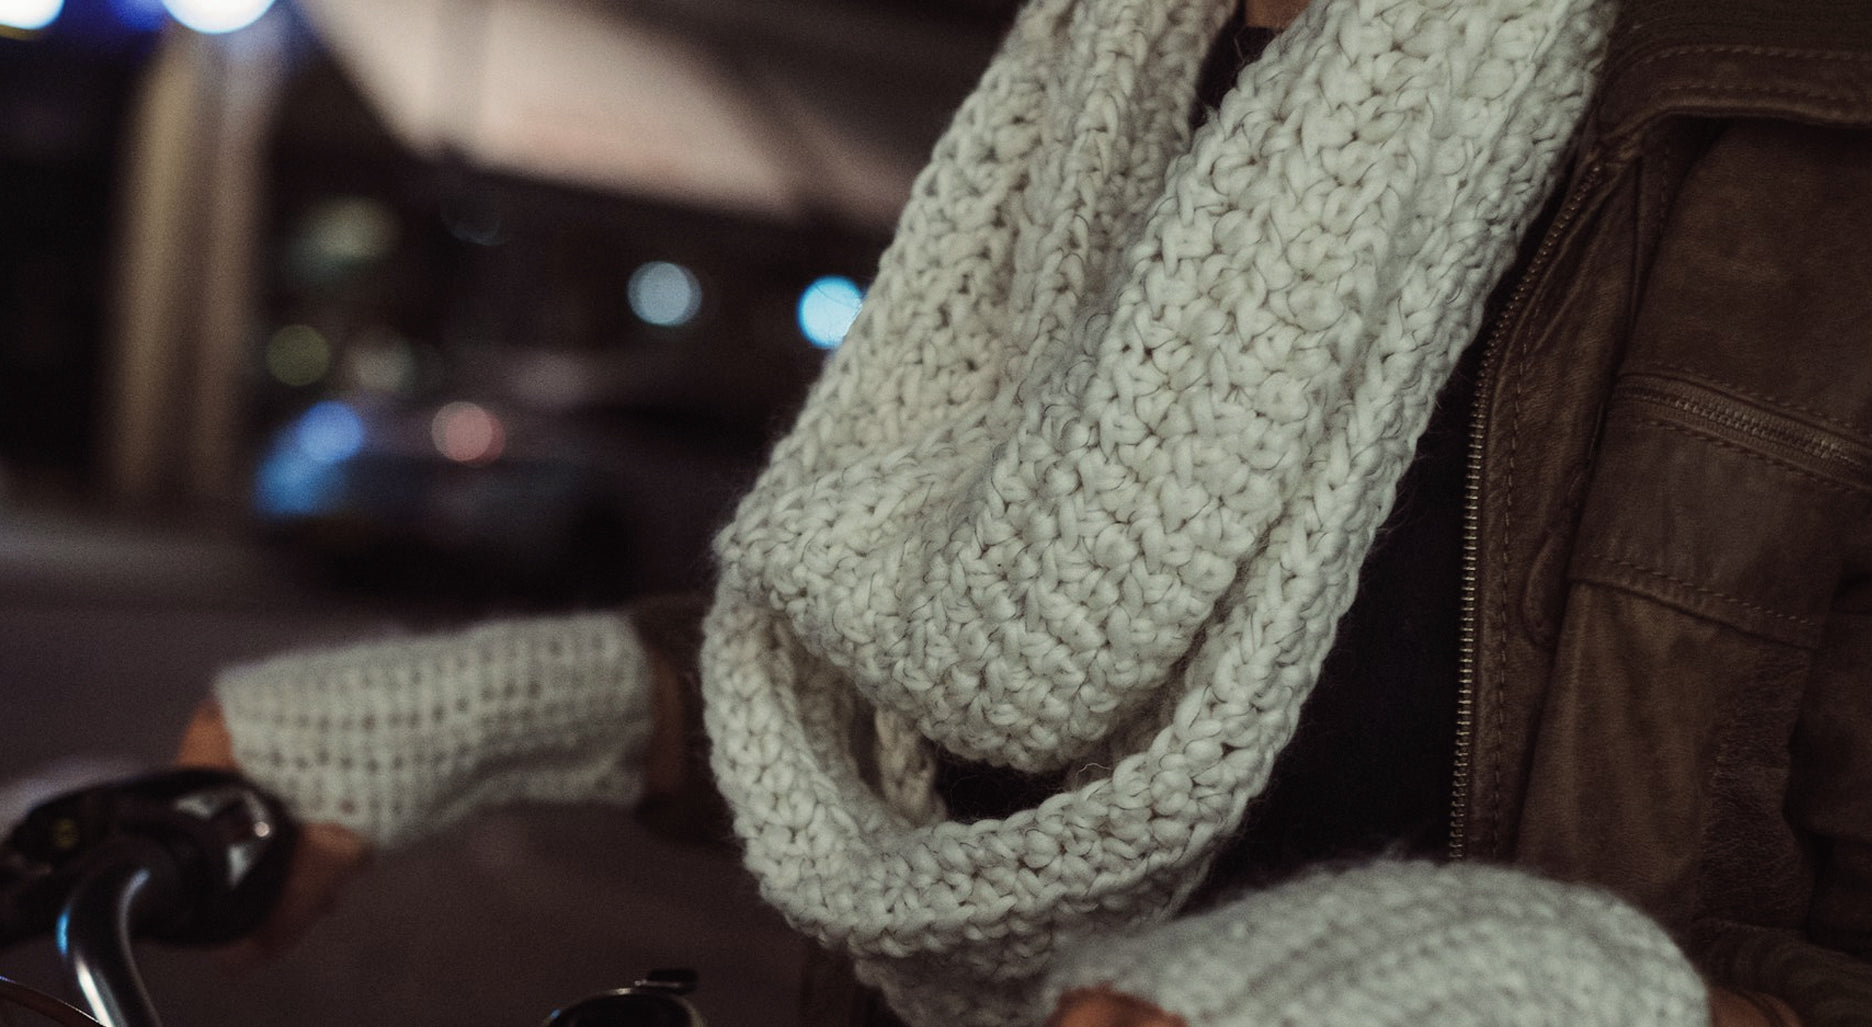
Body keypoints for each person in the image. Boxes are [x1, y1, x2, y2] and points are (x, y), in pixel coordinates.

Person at [178, 0, 1872, 1023]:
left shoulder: (1803, 127)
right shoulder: (1087, 74)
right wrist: (489, 712)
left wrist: (1555, 1000)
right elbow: (945, 685)